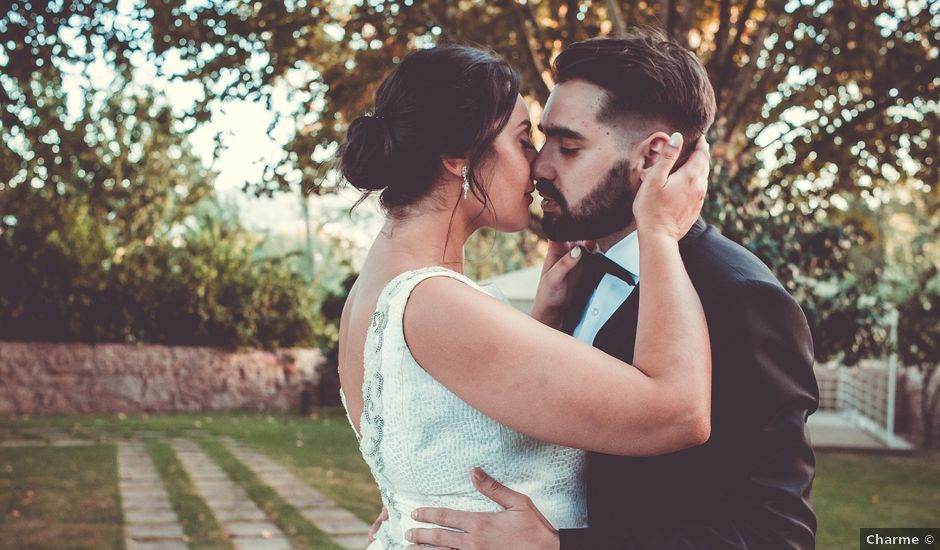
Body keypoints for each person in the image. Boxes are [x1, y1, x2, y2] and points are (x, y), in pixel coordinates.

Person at [406, 33, 819, 550]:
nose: (539, 166)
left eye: (569, 146)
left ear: (651, 160)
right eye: (542, 140)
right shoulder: (579, 275)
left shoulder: (741, 297)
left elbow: (776, 536)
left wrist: (564, 547)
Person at [336, 44, 712, 548]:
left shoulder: (374, 289)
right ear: (458, 158)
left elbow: (436, 442)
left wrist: (541, 327)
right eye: (522, 141)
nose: (537, 166)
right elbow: (678, 413)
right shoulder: (433, 303)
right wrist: (661, 232)